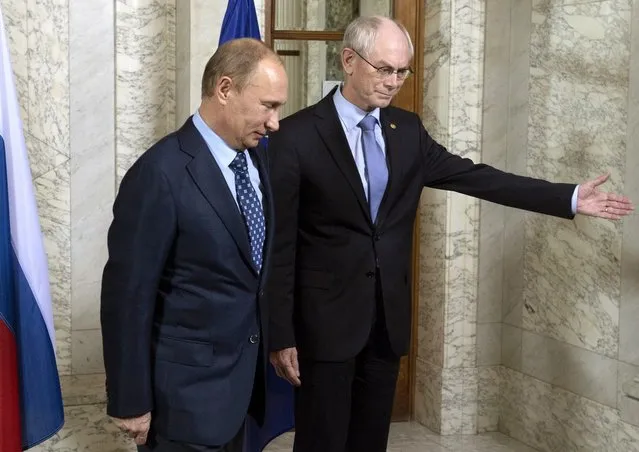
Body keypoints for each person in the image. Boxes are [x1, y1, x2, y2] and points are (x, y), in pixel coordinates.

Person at [266, 15, 634, 452]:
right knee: (321, 442)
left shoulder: (406, 131)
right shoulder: (295, 136)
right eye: (384, 69)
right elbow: (279, 243)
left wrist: (568, 197)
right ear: (349, 60)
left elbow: (477, 177)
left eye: (403, 71)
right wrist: (280, 333)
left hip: (386, 322)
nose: (394, 82)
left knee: (369, 442)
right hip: (323, 325)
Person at [100, 38, 288, 452]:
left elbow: (251, 272)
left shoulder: (257, 159)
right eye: (268, 106)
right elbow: (127, 296)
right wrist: (130, 400)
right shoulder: (159, 174)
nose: (275, 122)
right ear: (225, 89)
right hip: (182, 402)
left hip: (241, 394)